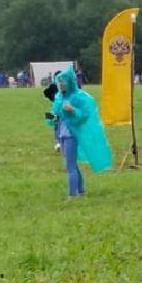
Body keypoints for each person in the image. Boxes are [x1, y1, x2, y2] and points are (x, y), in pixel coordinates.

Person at [50, 66, 112, 199]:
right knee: (71, 164)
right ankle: (81, 191)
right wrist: (50, 117)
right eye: (59, 82)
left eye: (63, 82)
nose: (61, 84)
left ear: (70, 82)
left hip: (71, 135)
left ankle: (72, 195)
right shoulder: (59, 97)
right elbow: (55, 116)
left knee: (70, 166)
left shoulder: (79, 97)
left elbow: (84, 115)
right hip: (62, 134)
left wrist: (73, 110)